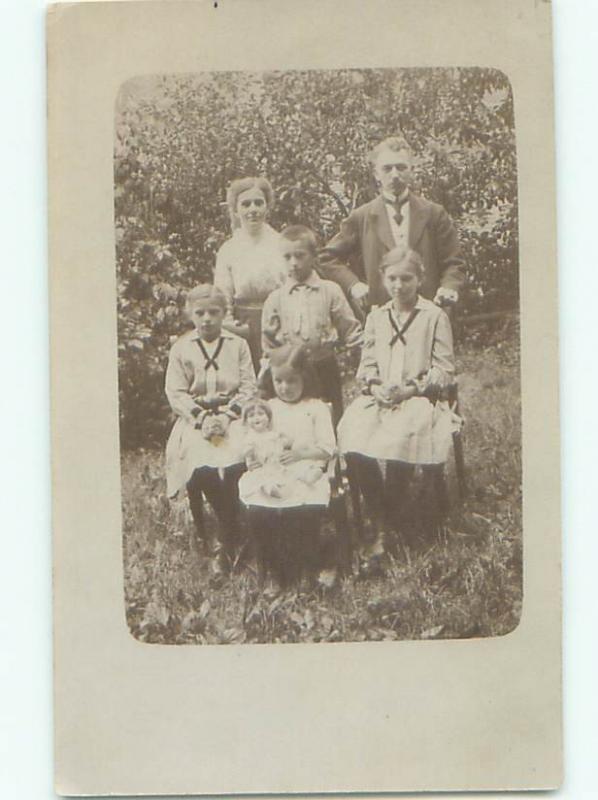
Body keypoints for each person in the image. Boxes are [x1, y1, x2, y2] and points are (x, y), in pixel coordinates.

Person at [337, 246, 461, 558]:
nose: (398, 285)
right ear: (382, 279)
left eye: (406, 278)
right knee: (351, 434)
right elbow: (366, 366)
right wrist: (375, 385)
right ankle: (382, 511)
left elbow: (444, 368)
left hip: (419, 398)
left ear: (419, 279)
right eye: (392, 278)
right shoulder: (377, 317)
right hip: (381, 397)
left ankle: (383, 526)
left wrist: (412, 388)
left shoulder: (433, 316)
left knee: (400, 436)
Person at [165, 284, 256, 575]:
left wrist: (228, 416)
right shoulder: (182, 347)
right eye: (200, 313)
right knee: (194, 455)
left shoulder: (237, 345)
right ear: (190, 314)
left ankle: (228, 533)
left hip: (233, 415)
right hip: (196, 417)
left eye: (214, 312)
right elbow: (176, 392)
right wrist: (201, 418)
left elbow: (248, 386)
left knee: (239, 451)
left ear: (224, 313)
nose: (207, 319)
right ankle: (225, 525)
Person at [319, 136, 466, 316]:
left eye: (401, 167)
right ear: (376, 173)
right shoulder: (362, 216)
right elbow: (326, 258)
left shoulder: (433, 214)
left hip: (429, 313)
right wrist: (354, 285)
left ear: (412, 170)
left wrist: (449, 288)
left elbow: (454, 262)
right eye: (387, 168)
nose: (395, 175)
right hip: (381, 315)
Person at [244, 346, 337, 589]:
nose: (285, 387)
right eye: (279, 381)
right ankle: (274, 569)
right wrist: (252, 458)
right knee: (259, 507)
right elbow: (255, 436)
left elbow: (328, 448)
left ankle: (306, 566)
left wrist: (299, 454)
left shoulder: (316, 407)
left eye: (292, 381)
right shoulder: (269, 407)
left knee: (304, 507)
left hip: (306, 467)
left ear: (305, 378)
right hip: (273, 470)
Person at [261, 224, 362, 425]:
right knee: (294, 421)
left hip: (324, 365)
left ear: (314, 256)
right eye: (287, 257)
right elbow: (268, 345)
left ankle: (329, 452)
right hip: (291, 370)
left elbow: (350, 329)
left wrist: (361, 365)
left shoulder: (330, 290)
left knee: (330, 418)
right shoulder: (276, 298)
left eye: (300, 256)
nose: (294, 263)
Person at [214, 176, 287, 370]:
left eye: (258, 203)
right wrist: (229, 326)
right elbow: (223, 294)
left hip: (280, 321)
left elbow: (292, 285)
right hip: (244, 324)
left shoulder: (281, 243)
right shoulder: (228, 249)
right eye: (245, 204)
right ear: (236, 210)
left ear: (267, 206)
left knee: (281, 376)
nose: (252, 210)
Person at [236, 397, 325, 507]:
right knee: (263, 480)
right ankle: (272, 491)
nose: (256, 418)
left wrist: (284, 438)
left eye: (260, 414)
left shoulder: (273, 433)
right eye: (251, 416)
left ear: (268, 417)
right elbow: (245, 454)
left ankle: (308, 476)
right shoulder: (250, 437)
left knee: (294, 468)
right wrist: (248, 456)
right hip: (264, 466)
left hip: (279, 462)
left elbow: (288, 442)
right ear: (246, 421)